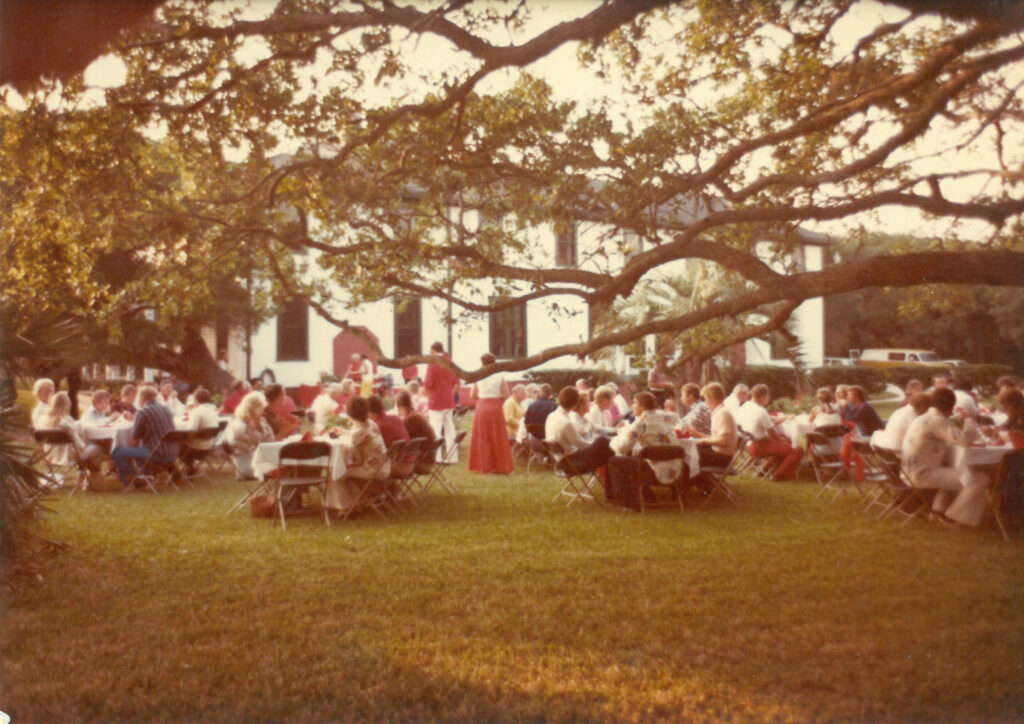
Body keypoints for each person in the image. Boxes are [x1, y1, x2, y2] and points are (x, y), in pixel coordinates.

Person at [902, 387, 989, 528]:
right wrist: (969, 420)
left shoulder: (923, 418)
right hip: (920, 474)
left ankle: (937, 512)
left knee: (953, 470)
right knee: (979, 479)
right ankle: (951, 519)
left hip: (908, 472)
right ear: (950, 406)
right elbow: (964, 440)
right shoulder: (937, 420)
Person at [608, 391, 684, 507]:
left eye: (635, 403)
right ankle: (648, 496)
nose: (632, 406)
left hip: (655, 472)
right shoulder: (666, 416)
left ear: (642, 407)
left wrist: (613, 441)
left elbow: (622, 447)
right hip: (675, 470)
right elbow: (676, 418)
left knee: (614, 462)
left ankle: (629, 504)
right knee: (636, 456)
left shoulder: (640, 423)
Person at [111, 386, 180, 489]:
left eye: (138, 397)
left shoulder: (143, 412)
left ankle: (135, 480)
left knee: (117, 451)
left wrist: (125, 448)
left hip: (157, 453)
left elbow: (135, 440)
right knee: (139, 449)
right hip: (173, 452)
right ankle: (146, 476)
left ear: (142, 397)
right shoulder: (165, 409)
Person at [328, 396, 389, 511]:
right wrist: (345, 432)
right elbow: (362, 435)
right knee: (344, 472)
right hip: (384, 465)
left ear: (349, 414)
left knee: (336, 474)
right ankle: (356, 502)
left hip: (372, 469)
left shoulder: (357, 432)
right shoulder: (371, 423)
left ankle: (345, 508)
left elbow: (355, 455)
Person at [736, 384, 803, 481]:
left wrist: (782, 439)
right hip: (758, 446)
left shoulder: (745, 406)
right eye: (767, 397)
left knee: (788, 441)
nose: (768, 399)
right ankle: (777, 476)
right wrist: (781, 440)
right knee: (797, 450)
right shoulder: (760, 411)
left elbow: (766, 422)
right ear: (763, 397)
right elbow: (772, 432)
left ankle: (764, 468)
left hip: (746, 444)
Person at [545, 386, 614, 474]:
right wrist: (595, 444)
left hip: (562, 460)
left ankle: (609, 475)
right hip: (572, 463)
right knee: (603, 442)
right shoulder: (566, 422)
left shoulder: (551, 416)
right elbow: (580, 444)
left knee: (605, 447)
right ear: (575, 403)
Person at [39, 391, 105, 481]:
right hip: (67, 457)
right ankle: (91, 477)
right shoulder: (66, 421)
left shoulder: (43, 419)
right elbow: (80, 446)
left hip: (50, 455)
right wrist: (86, 445)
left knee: (79, 426)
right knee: (98, 447)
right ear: (67, 405)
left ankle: (83, 477)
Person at [468, 353, 515, 474]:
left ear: (482, 363)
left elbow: (472, 395)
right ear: (494, 362)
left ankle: (484, 466)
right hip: (495, 406)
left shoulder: (478, 376)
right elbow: (506, 395)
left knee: (482, 436)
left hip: (482, 405)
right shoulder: (500, 376)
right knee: (498, 436)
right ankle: (501, 466)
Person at [222, 391, 275, 479]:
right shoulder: (238, 426)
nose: (263, 412)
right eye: (262, 409)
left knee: (285, 467)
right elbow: (256, 442)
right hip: (246, 464)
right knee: (282, 469)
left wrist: (260, 428)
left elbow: (271, 440)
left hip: (259, 460)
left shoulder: (261, 421)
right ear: (256, 409)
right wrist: (257, 429)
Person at [423, 342, 461, 463]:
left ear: (433, 350)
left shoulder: (433, 363)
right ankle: (452, 457)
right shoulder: (450, 362)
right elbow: (457, 381)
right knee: (450, 429)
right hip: (448, 400)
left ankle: (437, 457)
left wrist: (424, 390)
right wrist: (450, 394)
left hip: (436, 400)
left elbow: (429, 383)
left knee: (435, 429)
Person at [182, 387, 220, 474]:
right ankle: (190, 467)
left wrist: (186, 441)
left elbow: (191, 430)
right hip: (210, 446)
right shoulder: (213, 410)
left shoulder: (197, 411)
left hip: (197, 448)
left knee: (177, 448)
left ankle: (189, 467)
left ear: (196, 400)